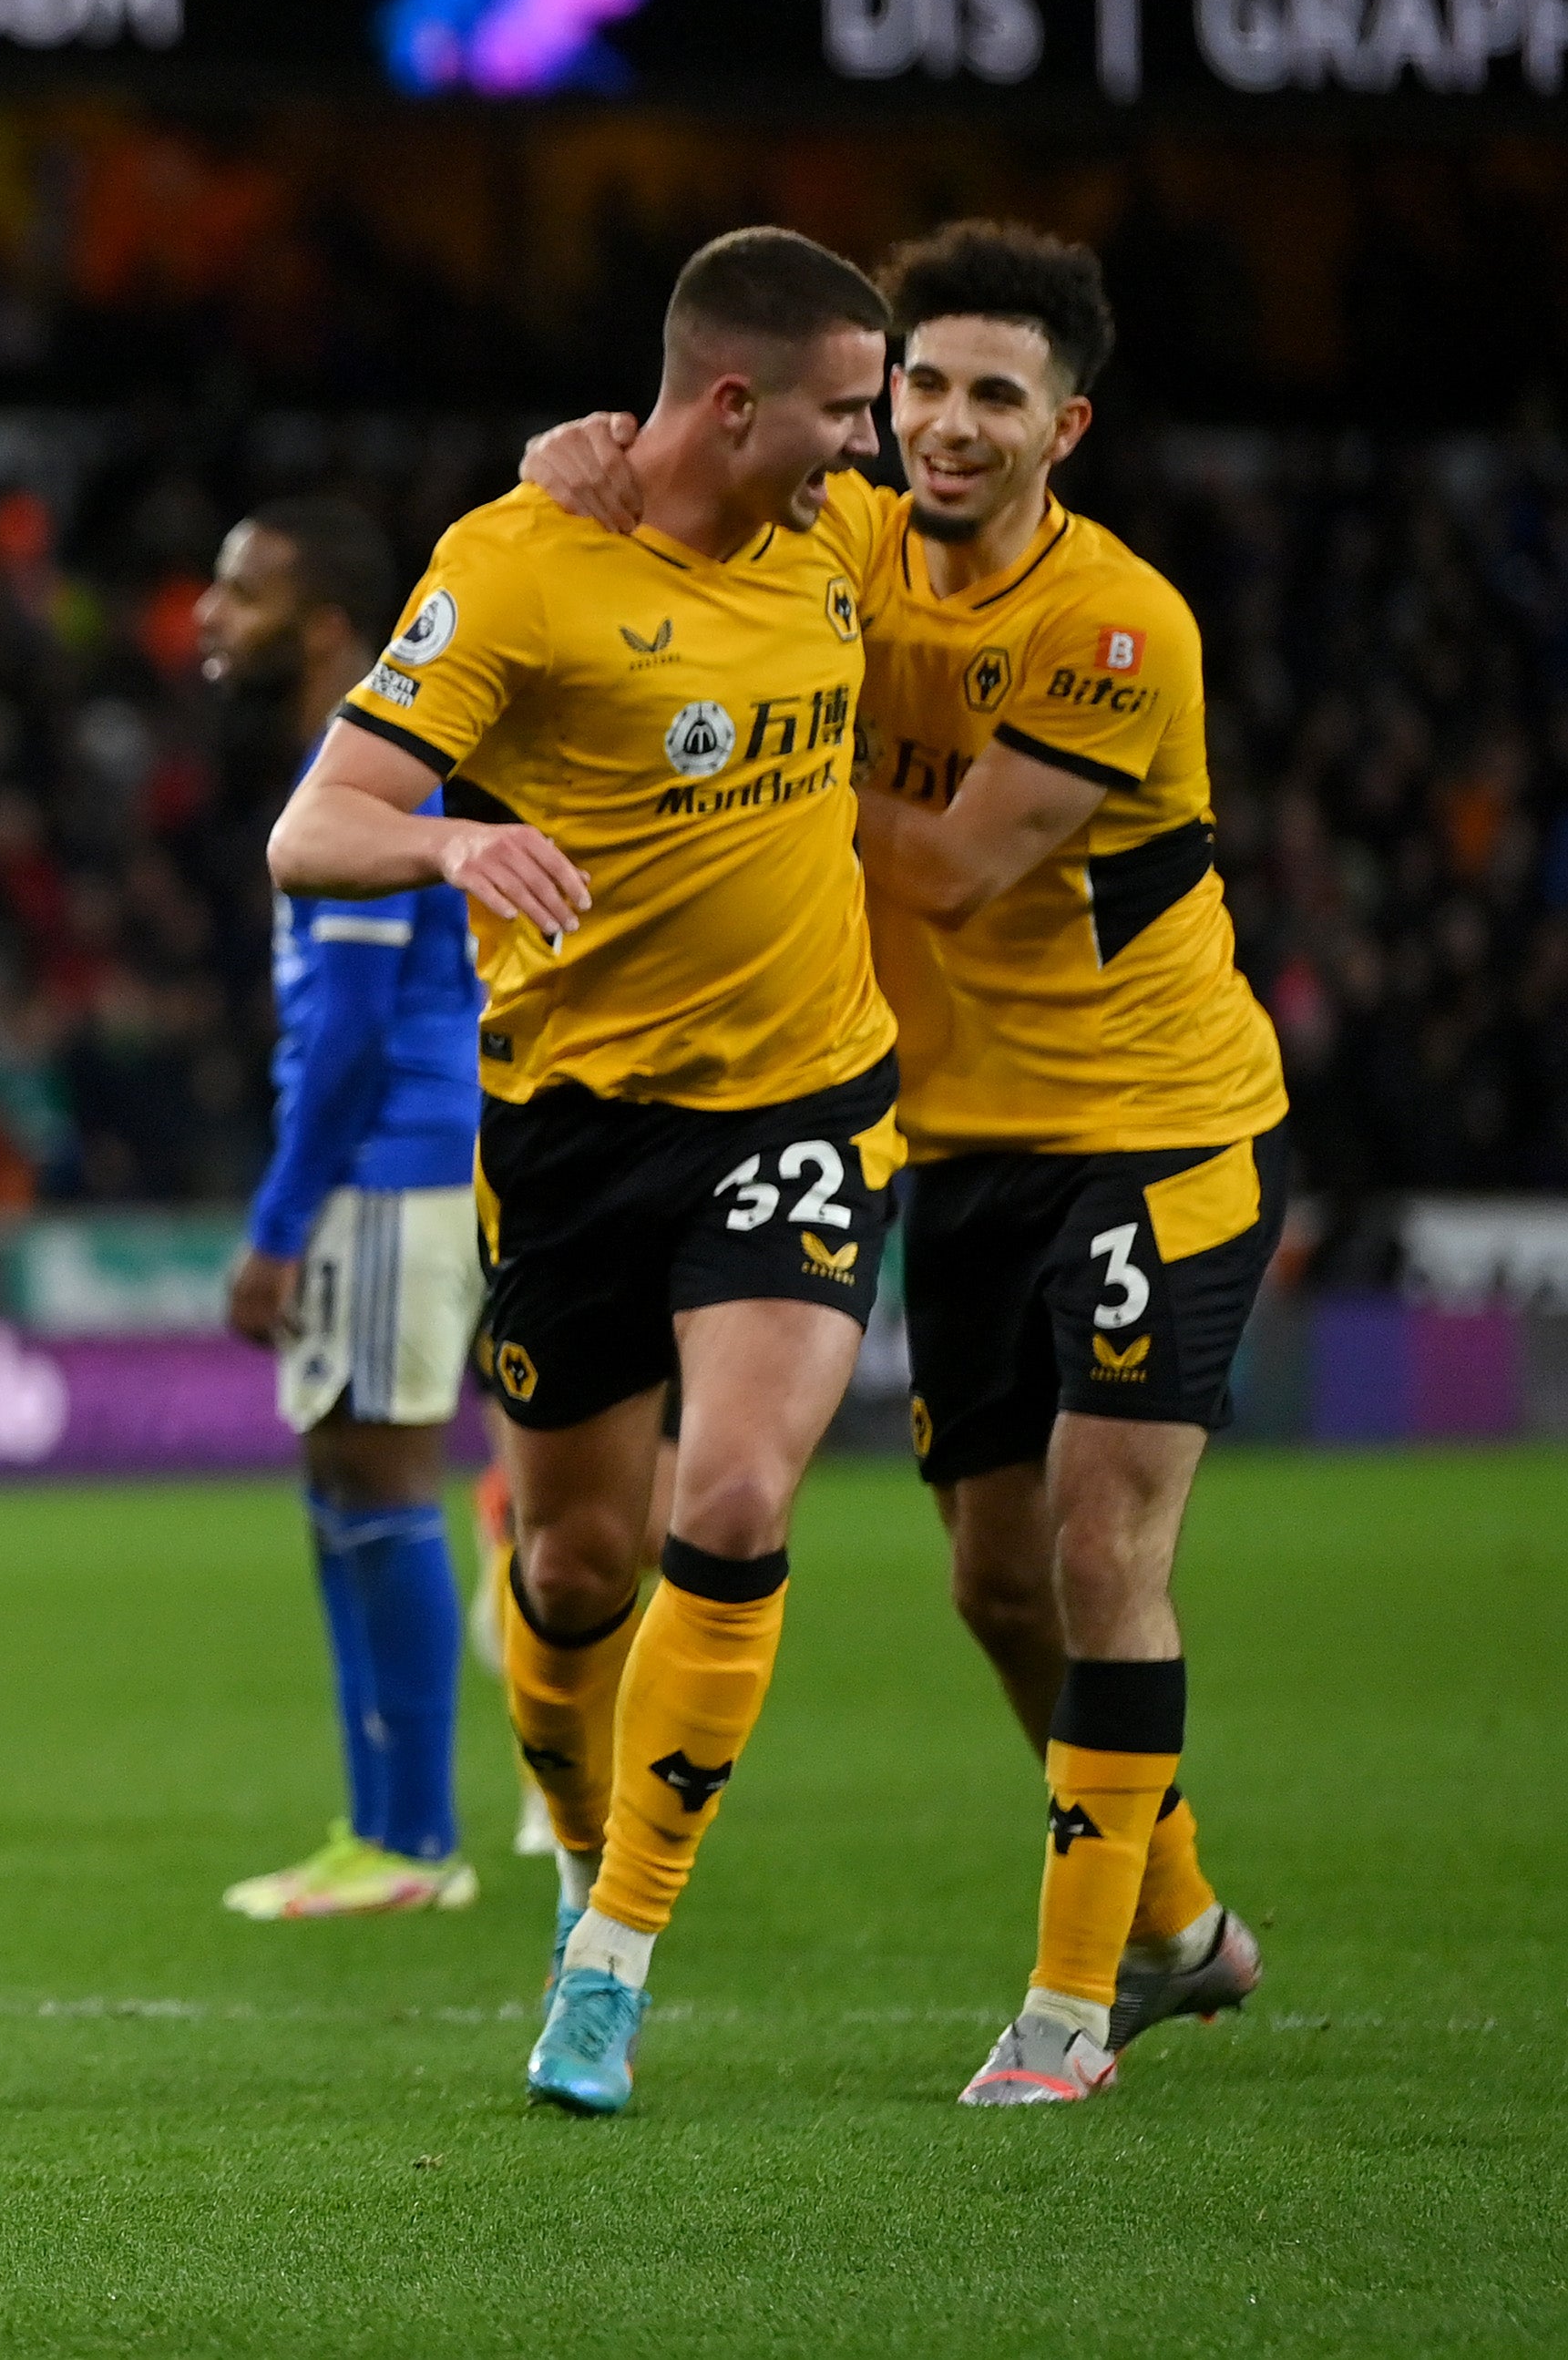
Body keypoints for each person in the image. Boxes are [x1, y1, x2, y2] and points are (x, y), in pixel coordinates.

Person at [520, 221, 1283, 2106]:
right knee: (989, 1584)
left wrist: (713, 768)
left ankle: (1064, 2005)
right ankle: (1180, 1920)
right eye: (918, 386)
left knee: (1102, 1547)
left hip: (1147, 1126)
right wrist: (574, 464)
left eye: (989, 399)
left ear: (1063, 427)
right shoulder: (843, 536)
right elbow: (662, 518)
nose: (938, 427)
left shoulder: (1115, 627)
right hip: (949, 1142)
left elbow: (935, 870)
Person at [268, 228, 895, 2117]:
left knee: (732, 1484)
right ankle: (567, 1852)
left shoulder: (847, 543)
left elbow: (998, 480)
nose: (876, 445)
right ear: (731, 402)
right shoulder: (519, 564)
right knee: (570, 1568)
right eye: (846, 408)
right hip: (569, 1129)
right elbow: (315, 828)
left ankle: (614, 1951)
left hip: (801, 1100)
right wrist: (452, 848)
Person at [199, 500, 483, 1922]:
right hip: (384, 1170)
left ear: (320, 626)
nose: (205, 616)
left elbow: (359, 1030)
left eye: (238, 595)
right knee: (342, 1490)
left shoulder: (373, 781)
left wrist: (278, 1219)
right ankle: (381, 1822)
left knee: (381, 1486)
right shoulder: (345, 767)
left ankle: (416, 1837)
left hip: (389, 1168)